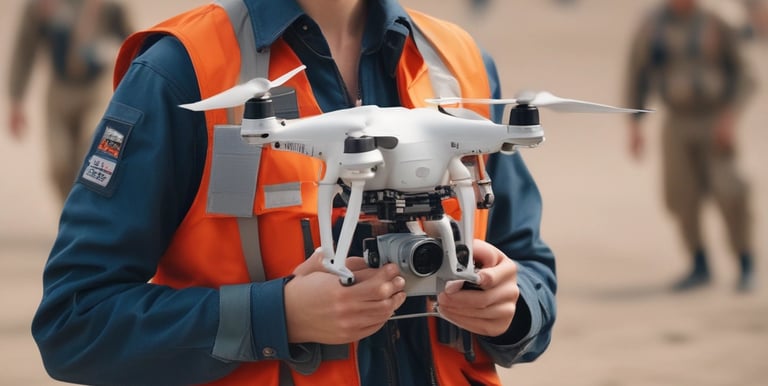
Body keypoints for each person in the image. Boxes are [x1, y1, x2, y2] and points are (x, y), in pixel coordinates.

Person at [31, 0, 557, 385]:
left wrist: (513, 307)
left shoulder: (459, 61)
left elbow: (529, 264)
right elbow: (75, 322)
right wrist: (276, 316)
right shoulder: (180, 74)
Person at [624, 0, 756, 292]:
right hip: (677, 120)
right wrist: (635, 123)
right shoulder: (653, 25)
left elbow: (746, 75)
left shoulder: (719, 20)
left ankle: (746, 262)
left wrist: (729, 118)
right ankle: (699, 264)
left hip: (714, 117)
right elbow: (637, 73)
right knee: (681, 194)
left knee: (731, 190)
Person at [7, 0, 133, 204]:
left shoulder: (111, 6)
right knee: (60, 164)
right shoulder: (40, 6)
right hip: (60, 89)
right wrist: (16, 100)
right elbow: (25, 50)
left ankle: (94, 215)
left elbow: (133, 44)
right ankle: (71, 215)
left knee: (93, 152)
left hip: (97, 88)